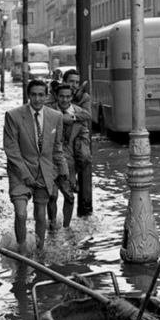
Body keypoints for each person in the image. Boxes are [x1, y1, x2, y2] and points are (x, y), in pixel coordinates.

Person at [3, 79, 69, 253]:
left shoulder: (56, 117)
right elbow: (11, 150)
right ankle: (22, 250)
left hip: (44, 172)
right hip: (20, 171)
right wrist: (26, 175)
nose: (37, 99)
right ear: (28, 95)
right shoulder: (13, 116)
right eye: (33, 95)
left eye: (41, 95)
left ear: (46, 95)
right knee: (21, 214)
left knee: (40, 215)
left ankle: (40, 251)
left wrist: (63, 172)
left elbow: (57, 148)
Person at [46, 84, 91, 228]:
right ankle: (52, 224)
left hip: (70, 158)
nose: (64, 100)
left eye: (67, 97)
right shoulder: (49, 110)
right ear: (57, 97)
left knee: (69, 195)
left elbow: (85, 132)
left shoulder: (79, 112)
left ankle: (66, 227)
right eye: (61, 96)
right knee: (52, 195)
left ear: (72, 97)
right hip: (51, 157)